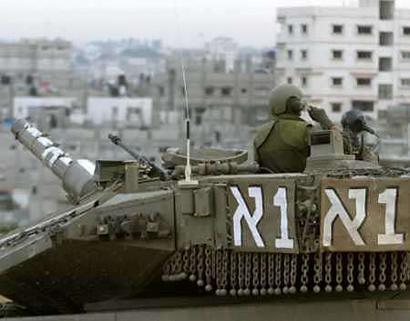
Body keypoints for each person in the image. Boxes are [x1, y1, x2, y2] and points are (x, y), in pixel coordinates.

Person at [253, 83, 335, 173]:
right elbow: (342, 151)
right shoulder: (306, 130)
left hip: (270, 186)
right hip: (303, 185)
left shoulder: (261, 133)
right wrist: (326, 122)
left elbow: (256, 167)